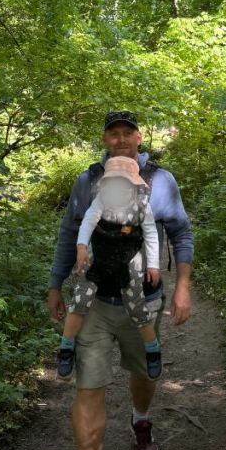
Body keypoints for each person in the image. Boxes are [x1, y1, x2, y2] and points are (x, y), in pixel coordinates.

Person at [48, 110, 193, 450]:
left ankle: (140, 416)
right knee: (87, 387)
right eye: (114, 133)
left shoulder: (161, 181)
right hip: (92, 301)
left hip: (141, 300)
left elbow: (179, 233)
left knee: (142, 373)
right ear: (105, 139)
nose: (121, 139)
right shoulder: (87, 180)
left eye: (128, 132)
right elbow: (69, 232)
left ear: (139, 136)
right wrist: (56, 284)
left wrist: (182, 285)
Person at [56, 154, 163, 381]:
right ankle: (66, 347)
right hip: (99, 256)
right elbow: (88, 221)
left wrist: (153, 265)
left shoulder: (142, 205)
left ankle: (152, 349)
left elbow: (152, 234)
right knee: (80, 299)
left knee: (136, 305)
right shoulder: (101, 200)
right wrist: (82, 246)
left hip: (129, 259)